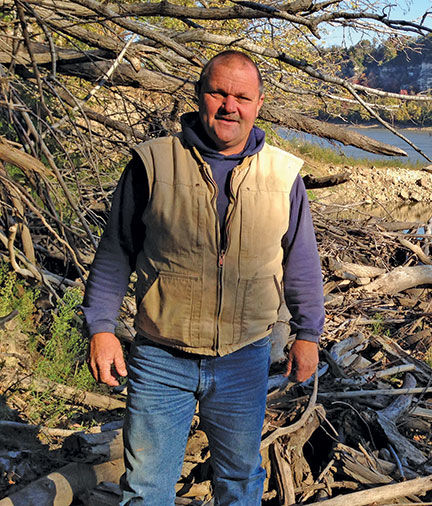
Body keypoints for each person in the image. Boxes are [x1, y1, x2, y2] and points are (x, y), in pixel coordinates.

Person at [81, 50, 325, 504]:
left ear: (258, 103)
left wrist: (308, 334)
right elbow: (115, 252)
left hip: (244, 357)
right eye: (219, 93)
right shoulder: (152, 163)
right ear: (198, 96)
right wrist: (101, 329)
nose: (230, 106)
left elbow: (301, 262)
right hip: (160, 356)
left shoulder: (283, 174)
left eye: (242, 96)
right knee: (146, 488)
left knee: (240, 481)